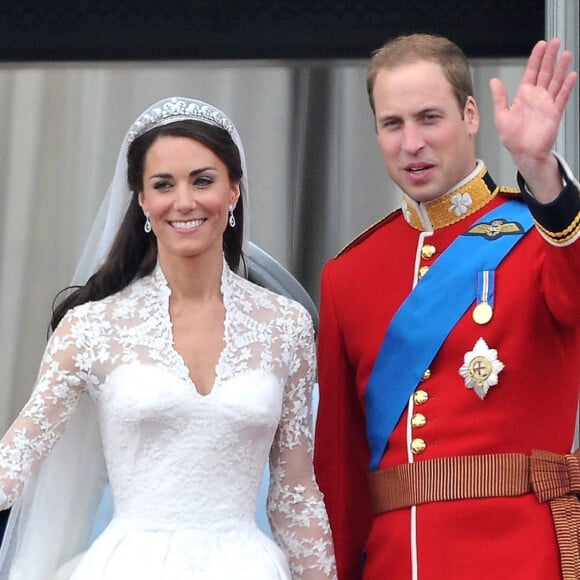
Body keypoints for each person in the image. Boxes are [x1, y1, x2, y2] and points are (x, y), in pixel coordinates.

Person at [0, 96, 337, 579]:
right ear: (141, 199)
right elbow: (15, 462)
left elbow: (294, 492)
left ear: (234, 191)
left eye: (203, 180)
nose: (184, 201)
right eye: (164, 185)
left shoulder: (286, 325)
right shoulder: (92, 326)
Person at [314, 33, 580, 580]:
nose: (411, 142)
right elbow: (338, 473)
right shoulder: (349, 274)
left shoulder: (540, 235)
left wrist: (542, 175)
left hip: (518, 558)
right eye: (393, 124)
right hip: (394, 564)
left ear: (470, 114)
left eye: (429, 118)